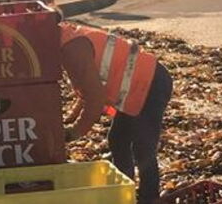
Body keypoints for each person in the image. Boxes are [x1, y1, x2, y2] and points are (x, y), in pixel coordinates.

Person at [61, 23, 172, 204]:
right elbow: (87, 87)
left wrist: (75, 132)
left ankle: (149, 197)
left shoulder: (73, 49)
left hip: (149, 83)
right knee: (118, 139)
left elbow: (95, 99)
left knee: (143, 147)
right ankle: (123, 191)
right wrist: (70, 117)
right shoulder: (68, 37)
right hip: (136, 89)